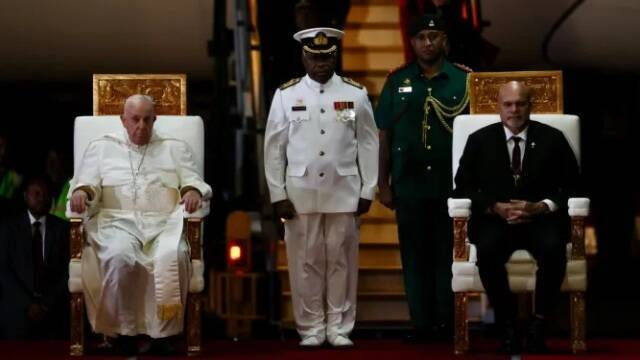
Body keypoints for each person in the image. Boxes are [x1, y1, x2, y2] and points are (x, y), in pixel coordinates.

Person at [68, 94, 211, 356]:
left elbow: (192, 180)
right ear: (123, 120)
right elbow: (85, 182)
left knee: (174, 256)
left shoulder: (174, 147)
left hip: (163, 224)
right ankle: (123, 333)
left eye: (147, 120)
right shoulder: (101, 147)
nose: (141, 126)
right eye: (135, 119)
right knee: (119, 257)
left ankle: (162, 335)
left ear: (155, 119)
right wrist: (81, 194)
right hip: (116, 222)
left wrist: (191, 191)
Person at [264, 27, 378, 347]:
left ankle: (339, 327)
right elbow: (274, 148)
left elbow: (368, 144)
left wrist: (368, 189)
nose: (321, 64)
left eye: (327, 57)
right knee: (305, 260)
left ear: (336, 55)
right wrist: (278, 194)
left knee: (341, 259)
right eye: (314, 57)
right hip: (300, 190)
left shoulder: (355, 93)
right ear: (303, 56)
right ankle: (311, 327)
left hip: (344, 189)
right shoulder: (286, 95)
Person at [454, 81, 580, 353]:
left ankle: (539, 323)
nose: (514, 110)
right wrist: (493, 206)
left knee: (554, 249)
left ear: (530, 106)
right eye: (508, 104)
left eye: (520, 104)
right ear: (498, 107)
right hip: (495, 221)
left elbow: (574, 185)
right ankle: (508, 323)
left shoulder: (553, 138)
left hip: (540, 221)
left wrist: (542, 207)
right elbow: (462, 186)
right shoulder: (479, 140)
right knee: (486, 252)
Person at [375, 14, 469, 341]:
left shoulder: (464, 80)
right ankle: (422, 324)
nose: (427, 43)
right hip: (410, 183)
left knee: (448, 255)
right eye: (421, 37)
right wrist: (383, 183)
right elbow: (384, 134)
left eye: (434, 35)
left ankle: (448, 322)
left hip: (452, 185)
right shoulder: (396, 81)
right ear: (412, 42)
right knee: (414, 257)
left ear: (444, 39)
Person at [0, 176, 69, 339]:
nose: (41, 198)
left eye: (45, 195)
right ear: (26, 196)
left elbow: (68, 270)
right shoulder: (8, 228)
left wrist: (45, 304)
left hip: (52, 312)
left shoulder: (62, 229)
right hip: (16, 313)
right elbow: (3, 269)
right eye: (36, 193)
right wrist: (28, 304)